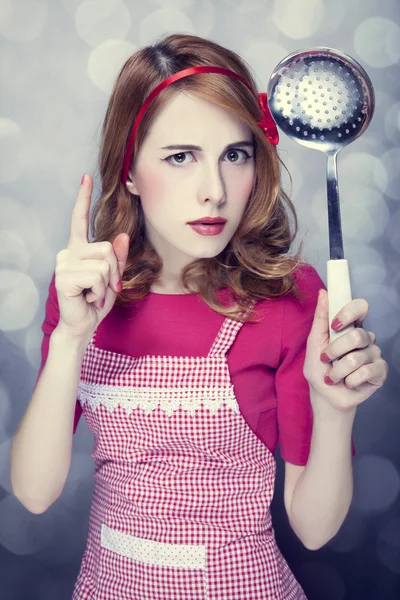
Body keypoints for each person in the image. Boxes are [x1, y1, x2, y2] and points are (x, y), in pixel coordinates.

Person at [10, 33, 388, 600]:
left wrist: (335, 412)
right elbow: (34, 493)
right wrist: (70, 337)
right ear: (130, 171)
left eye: (235, 155)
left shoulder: (290, 301)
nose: (214, 191)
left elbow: (313, 530)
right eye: (181, 156)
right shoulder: (85, 290)